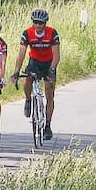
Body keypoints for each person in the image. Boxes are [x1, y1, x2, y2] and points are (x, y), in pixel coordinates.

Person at [12, 8, 61, 141]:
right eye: (36, 22)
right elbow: (21, 53)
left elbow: (56, 55)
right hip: (34, 62)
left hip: (49, 63)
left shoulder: (52, 33)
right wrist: (16, 71)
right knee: (27, 80)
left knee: (49, 93)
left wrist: (52, 70)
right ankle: (28, 100)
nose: (38, 25)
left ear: (45, 23)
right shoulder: (27, 33)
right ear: (33, 22)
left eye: (41, 23)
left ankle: (48, 126)